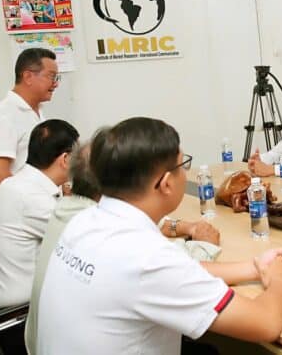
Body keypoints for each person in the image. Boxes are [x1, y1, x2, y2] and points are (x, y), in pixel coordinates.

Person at [37, 117, 282, 354]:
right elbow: (265, 323)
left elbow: (179, 272)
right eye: (183, 165)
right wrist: (280, 280)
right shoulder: (146, 257)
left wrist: (253, 267)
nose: (185, 173)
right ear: (166, 183)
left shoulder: (85, 220)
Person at [24, 142, 221, 355]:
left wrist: (184, 227)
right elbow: (172, 272)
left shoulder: (70, 212)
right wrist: (204, 246)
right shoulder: (103, 232)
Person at [0, 119, 79, 310]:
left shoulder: (16, 184)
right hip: (18, 312)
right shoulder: (32, 198)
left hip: (0, 297)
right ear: (65, 159)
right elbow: (84, 240)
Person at [0, 48, 60, 202]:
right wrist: (34, 199)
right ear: (28, 77)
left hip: (42, 204)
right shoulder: (3, 116)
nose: (55, 83)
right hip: (21, 209)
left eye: (57, 77)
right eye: (51, 76)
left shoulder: (37, 113)